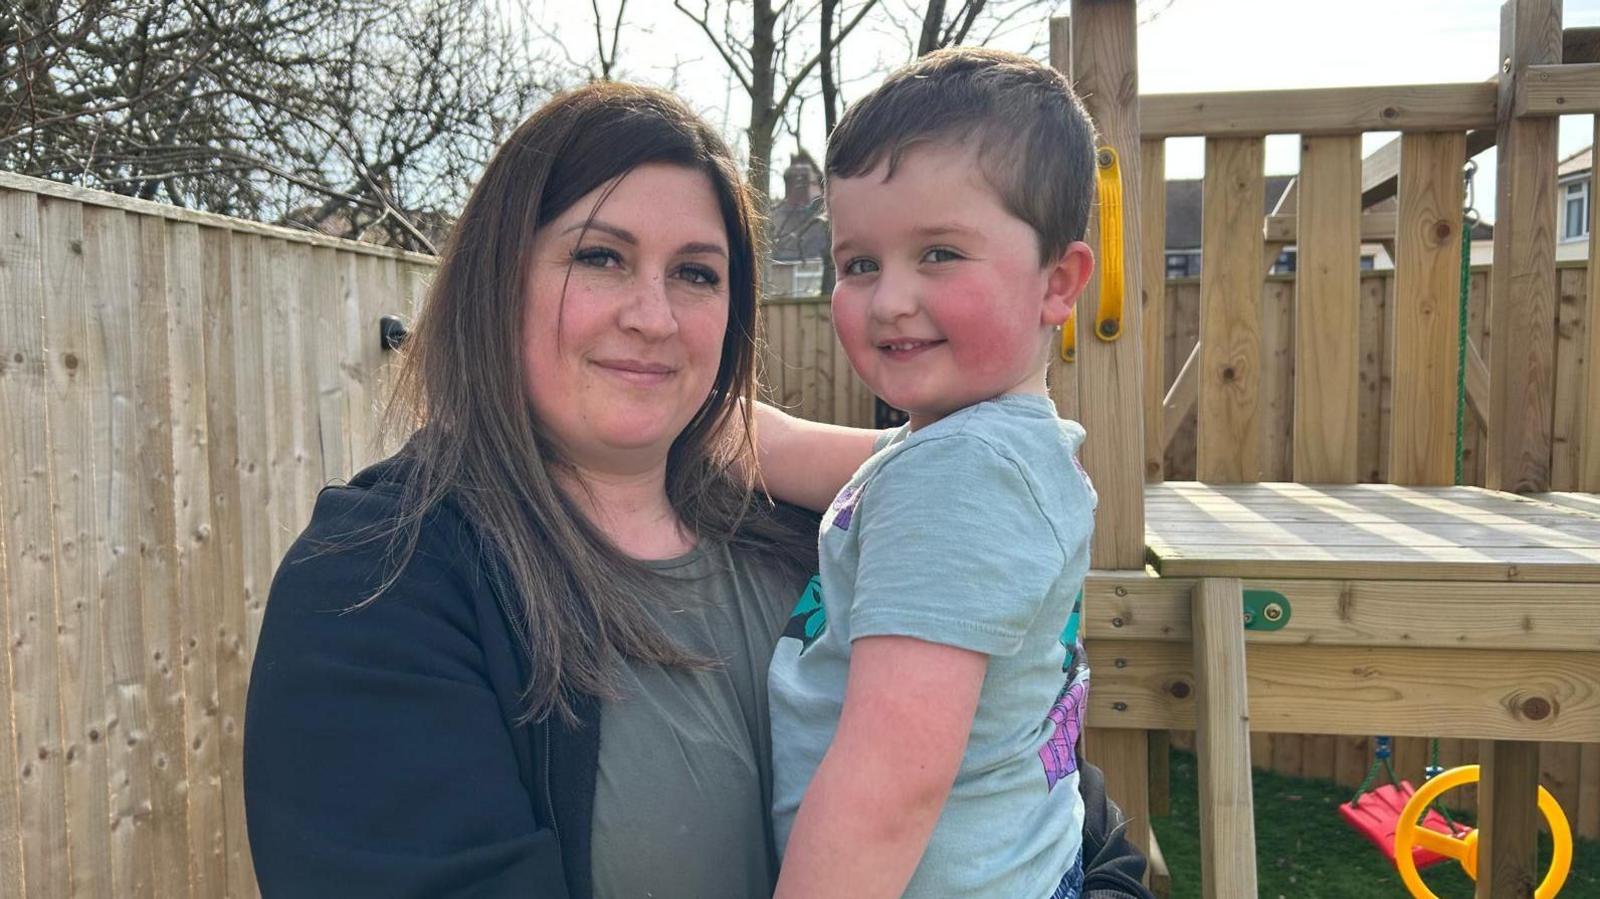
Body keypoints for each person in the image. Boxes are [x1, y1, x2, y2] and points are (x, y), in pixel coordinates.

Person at [243, 80, 1152, 899]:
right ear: (499, 275)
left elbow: (1056, 805)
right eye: (601, 257)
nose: (654, 316)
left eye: (696, 274)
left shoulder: (819, 519)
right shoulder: (380, 578)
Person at [768, 48, 1102, 899]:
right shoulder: (992, 450)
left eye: (941, 253)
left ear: (1057, 282)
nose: (888, 301)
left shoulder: (962, 478)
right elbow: (801, 452)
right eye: (859, 264)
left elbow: (888, 790)